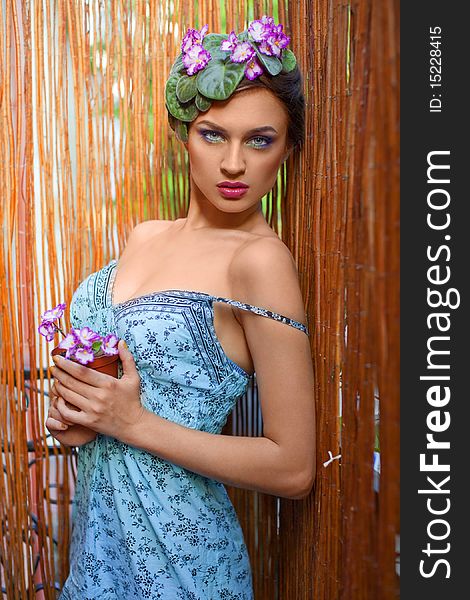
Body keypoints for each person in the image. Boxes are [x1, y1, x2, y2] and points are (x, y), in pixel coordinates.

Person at [47, 15, 316, 599]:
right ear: (182, 135)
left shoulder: (259, 263)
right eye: (213, 134)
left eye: (260, 140)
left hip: (183, 566)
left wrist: (131, 422)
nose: (234, 164)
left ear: (288, 148)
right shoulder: (144, 237)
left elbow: (294, 468)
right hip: (99, 550)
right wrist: (83, 418)